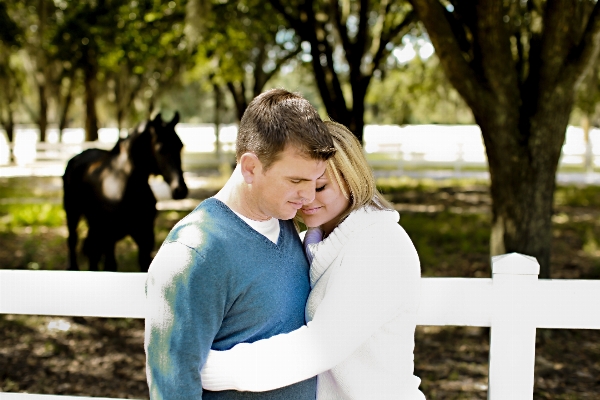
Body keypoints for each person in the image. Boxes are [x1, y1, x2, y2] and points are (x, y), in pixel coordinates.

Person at [200, 121, 425, 400]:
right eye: (297, 183)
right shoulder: (311, 241)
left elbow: (319, 348)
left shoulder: (380, 246)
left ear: (351, 180)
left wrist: (204, 366)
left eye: (320, 187)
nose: (306, 197)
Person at [144, 88, 336, 400]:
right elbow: (173, 385)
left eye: (315, 182)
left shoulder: (286, 220)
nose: (309, 197)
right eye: (297, 181)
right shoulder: (193, 253)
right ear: (250, 168)